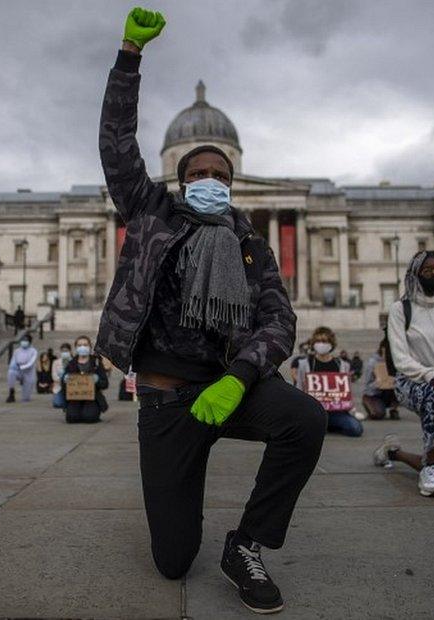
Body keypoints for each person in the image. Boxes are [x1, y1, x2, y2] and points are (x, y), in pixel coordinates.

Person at [97, 11, 326, 613]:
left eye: (219, 172)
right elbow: (117, 147)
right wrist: (129, 58)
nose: (208, 179)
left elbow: (280, 322)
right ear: (180, 177)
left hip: (229, 387)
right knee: (173, 561)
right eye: (196, 171)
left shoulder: (251, 244)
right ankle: (183, 488)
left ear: (233, 180)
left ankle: (246, 543)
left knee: (306, 419)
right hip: (168, 402)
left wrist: (241, 376)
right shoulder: (150, 214)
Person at [372, 250, 434, 498]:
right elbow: (400, 357)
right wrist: (432, 377)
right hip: (411, 382)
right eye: (428, 270)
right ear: (416, 274)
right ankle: (430, 471)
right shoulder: (401, 309)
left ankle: (400, 456)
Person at [294, 327, 362, 437]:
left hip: (336, 412)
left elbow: (346, 391)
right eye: (318, 341)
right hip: (314, 413)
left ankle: (328, 425)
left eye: (324, 341)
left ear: (331, 343)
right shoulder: (305, 364)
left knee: (356, 429)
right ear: (313, 344)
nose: (321, 344)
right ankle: (324, 425)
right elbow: (299, 388)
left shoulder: (342, 364)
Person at [63, 335, 109, 423]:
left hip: (92, 398)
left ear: (90, 347)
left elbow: (105, 384)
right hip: (74, 398)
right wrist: (64, 380)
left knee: (89, 417)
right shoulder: (71, 363)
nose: (82, 347)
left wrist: (97, 380)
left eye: (85, 345)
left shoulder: (96, 363)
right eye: (79, 345)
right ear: (76, 348)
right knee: (72, 418)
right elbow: (64, 386)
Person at [361, 339, 400, 420]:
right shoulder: (372, 363)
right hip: (373, 395)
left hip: (388, 393)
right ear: (383, 349)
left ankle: (394, 409)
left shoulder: (395, 362)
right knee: (378, 415)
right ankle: (372, 409)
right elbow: (366, 388)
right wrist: (377, 383)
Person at [6, 335, 38, 402]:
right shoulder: (17, 351)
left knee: (25, 399)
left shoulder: (33, 351)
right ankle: (11, 391)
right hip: (19, 371)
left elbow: (30, 364)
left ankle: (26, 391)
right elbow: (13, 362)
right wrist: (15, 367)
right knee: (11, 372)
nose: (24, 342)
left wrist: (21, 366)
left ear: (29, 342)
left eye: (26, 340)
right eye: (23, 340)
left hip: (29, 373)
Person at [51, 343, 72, 409]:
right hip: (59, 386)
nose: (64, 352)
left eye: (66, 351)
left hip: (71, 386)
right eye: (63, 351)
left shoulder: (73, 361)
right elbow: (54, 376)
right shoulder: (56, 362)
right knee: (58, 403)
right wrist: (63, 379)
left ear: (70, 351)